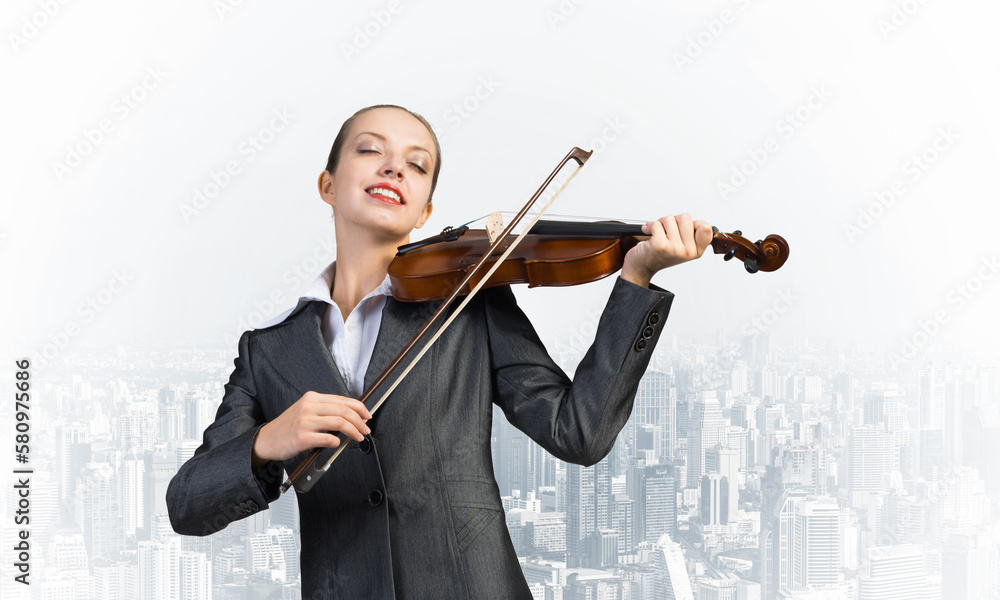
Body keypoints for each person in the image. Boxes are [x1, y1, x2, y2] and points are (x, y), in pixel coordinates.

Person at [167, 104, 713, 599]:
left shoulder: (471, 301)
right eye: (370, 149)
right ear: (328, 185)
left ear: (426, 213)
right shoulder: (268, 350)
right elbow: (187, 505)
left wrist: (637, 280)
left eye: (416, 164)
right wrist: (267, 441)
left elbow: (580, 433)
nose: (393, 167)